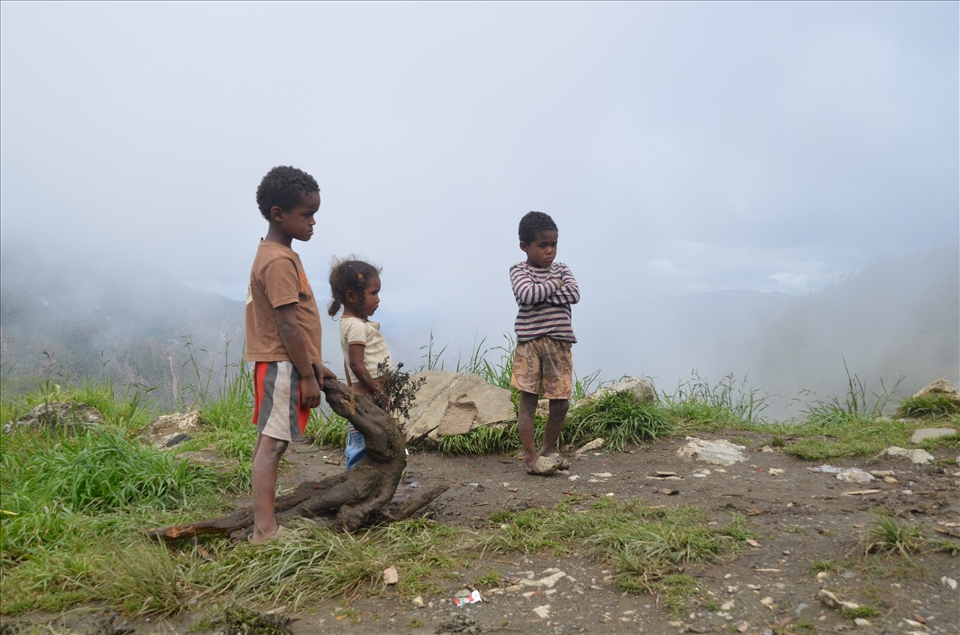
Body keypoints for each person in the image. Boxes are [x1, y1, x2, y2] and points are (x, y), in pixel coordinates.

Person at [245, 165, 335, 541]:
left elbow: (297, 320)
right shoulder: (279, 261)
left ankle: (262, 523)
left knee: (269, 441)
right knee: (273, 444)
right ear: (278, 214)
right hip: (281, 365)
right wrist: (308, 376)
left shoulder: (279, 253)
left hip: (284, 363)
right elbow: (288, 324)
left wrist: (315, 364)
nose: (313, 222)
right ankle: (265, 530)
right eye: (307, 214)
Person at [509, 211, 580, 475]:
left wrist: (544, 291)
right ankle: (531, 459)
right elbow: (526, 295)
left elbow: (574, 294)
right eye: (543, 245)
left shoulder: (562, 269)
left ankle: (548, 451)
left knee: (561, 403)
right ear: (524, 246)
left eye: (554, 244)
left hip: (559, 344)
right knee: (528, 402)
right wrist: (555, 285)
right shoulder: (519, 270)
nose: (550, 251)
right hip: (529, 345)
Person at [328, 258, 394, 469]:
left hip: (368, 401)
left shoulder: (355, 324)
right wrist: (379, 393)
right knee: (361, 447)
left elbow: (349, 362)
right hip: (368, 401)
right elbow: (356, 364)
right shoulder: (356, 326)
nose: (378, 299)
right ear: (351, 296)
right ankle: (354, 478)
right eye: (373, 293)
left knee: (370, 443)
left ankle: (367, 479)